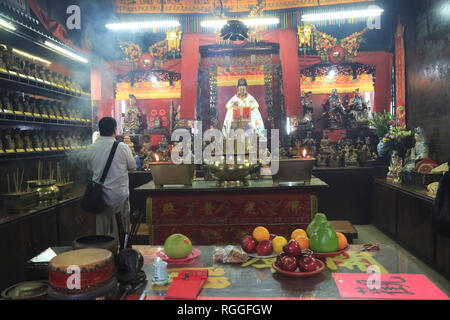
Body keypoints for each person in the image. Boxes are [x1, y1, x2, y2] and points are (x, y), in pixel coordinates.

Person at [85, 117, 136, 238]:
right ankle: (121, 252)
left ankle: (105, 253)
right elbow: (132, 167)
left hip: (100, 196)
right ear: (114, 129)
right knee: (122, 229)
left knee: (102, 232)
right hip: (119, 195)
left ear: (100, 130)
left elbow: (90, 168)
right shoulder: (123, 147)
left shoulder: (91, 148)